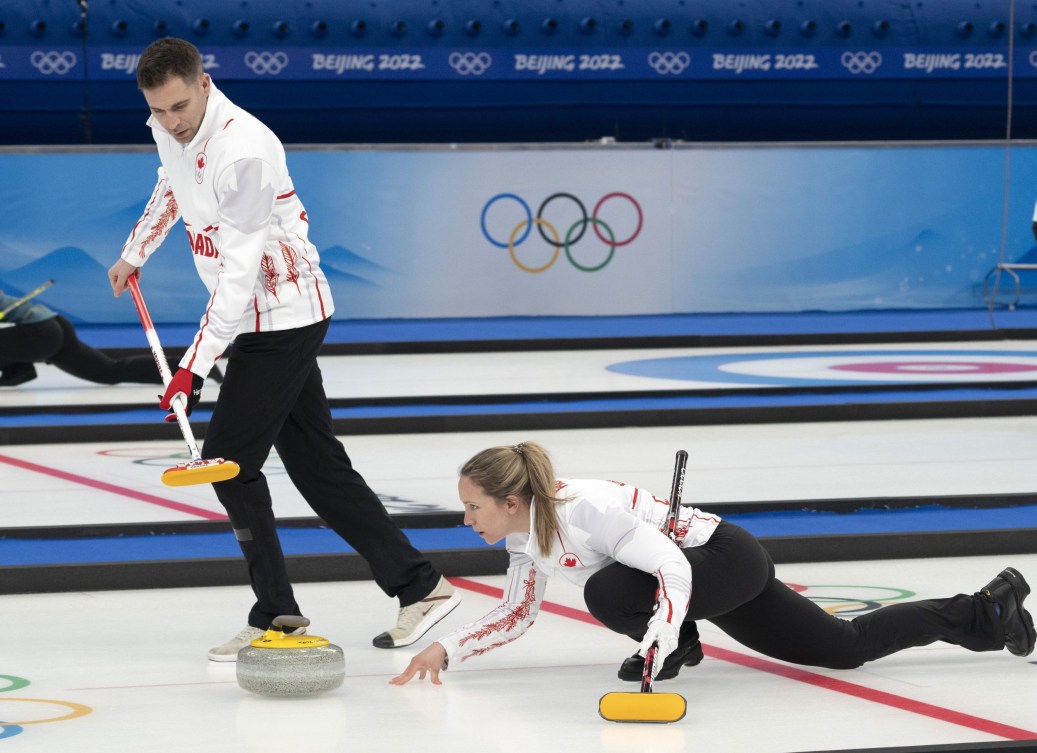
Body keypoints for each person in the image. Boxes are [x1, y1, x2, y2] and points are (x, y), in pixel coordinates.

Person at [106, 37, 459, 661]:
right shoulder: (171, 127)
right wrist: (136, 250)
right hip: (254, 317)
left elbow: (240, 278)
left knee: (228, 462)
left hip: (280, 316)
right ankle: (421, 587)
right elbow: (170, 186)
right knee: (318, 467)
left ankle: (276, 611)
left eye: (179, 107)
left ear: (205, 83)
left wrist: (193, 365)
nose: (170, 122)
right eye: (158, 111)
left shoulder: (245, 151)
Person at [390, 441, 1036, 686]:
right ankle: (985, 611)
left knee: (610, 591)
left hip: (724, 556)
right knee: (841, 649)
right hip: (697, 574)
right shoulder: (524, 539)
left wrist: (662, 635)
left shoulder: (584, 509)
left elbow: (670, 568)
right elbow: (516, 611)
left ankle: (675, 648)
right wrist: (446, 649)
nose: (465, 519)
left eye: (472, 506)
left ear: (510, 500)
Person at [0, 287, 164, 387]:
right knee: (109, 372)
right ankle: (178, 372)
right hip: (54, 325)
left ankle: (19, 367)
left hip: (42, 332)